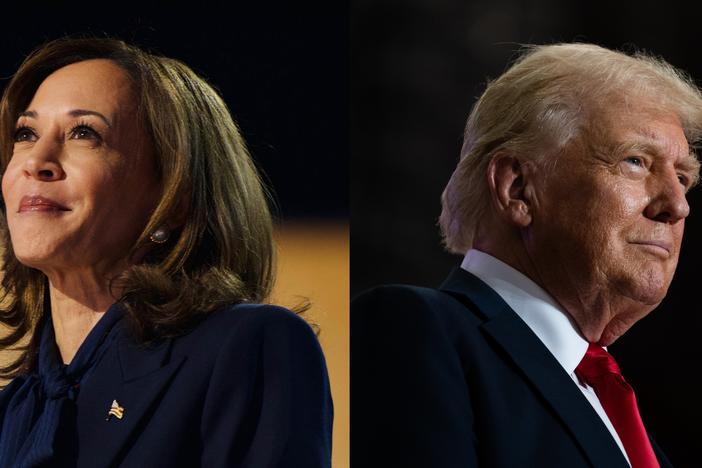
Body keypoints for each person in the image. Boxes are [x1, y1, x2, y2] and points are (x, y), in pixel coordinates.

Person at [352, 43, 702, 467]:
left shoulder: (622, 416)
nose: (676, 204)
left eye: (682, 177)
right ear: (518, 189)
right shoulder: (415, 331)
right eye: (635, 161)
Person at [0, 37, 332, 467]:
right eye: (26, 134)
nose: (36, 160)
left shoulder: (246, 346)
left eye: (85, 133)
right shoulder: (13, 414)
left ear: (174, 198)